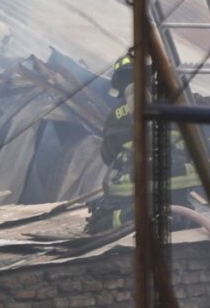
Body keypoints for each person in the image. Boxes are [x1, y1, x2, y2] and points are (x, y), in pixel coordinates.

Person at [86, 55, 202, 233]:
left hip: (136, 187)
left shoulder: (115, 115)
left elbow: (108, 156)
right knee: (180, 207)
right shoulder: (174, 98)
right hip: (180, 180)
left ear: (119, 83)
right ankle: (180, 215)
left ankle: (131, 215)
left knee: (97, 224)